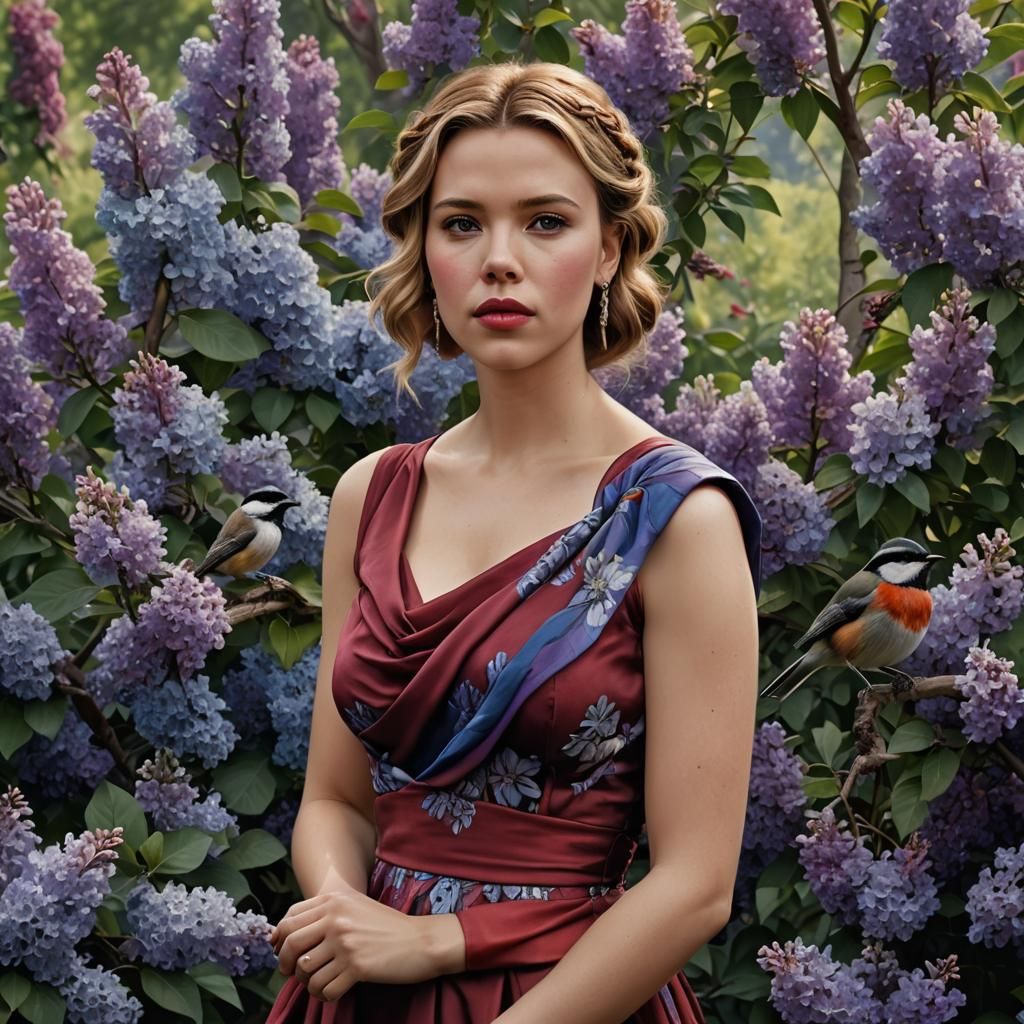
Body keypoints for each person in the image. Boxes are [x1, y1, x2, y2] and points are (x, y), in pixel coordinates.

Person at [265, 59, 762, 1024]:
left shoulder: (677, 519)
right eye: (462, 224)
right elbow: (336, 798)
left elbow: (696, 884)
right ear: (426, 250)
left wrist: (444, 943)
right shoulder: (373, 498)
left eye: (545, 221)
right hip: (359, 993)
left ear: (610, 247)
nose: (500, 259)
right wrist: (338, 908)